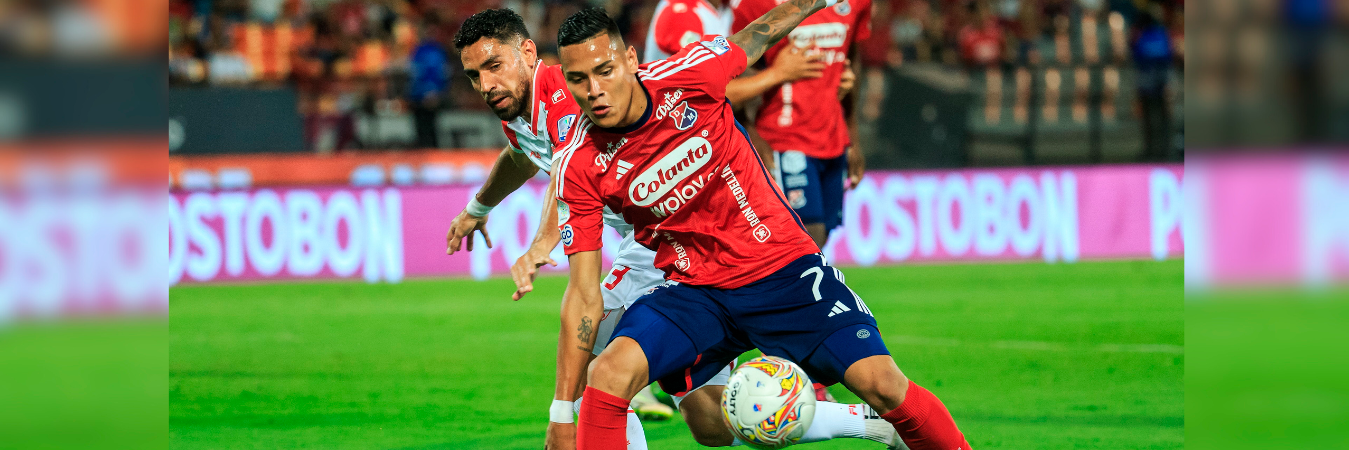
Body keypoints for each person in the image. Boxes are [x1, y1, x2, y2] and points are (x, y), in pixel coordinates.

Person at [441, 9, 905, 450]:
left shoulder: (567, 95)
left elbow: (568, 169)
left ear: (526, 52)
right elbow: (523, 154)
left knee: (593, 360)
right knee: (710, 422)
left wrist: (544, 239)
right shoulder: (518, 109)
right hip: (659, 244)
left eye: (494, 66)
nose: (486, 84)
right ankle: (869, 424)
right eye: (474, 76)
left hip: (666, 246)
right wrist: (478, 206)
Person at [551, 5, 971, 450]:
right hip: (695, 289)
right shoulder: (579, 163)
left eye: (605, 70)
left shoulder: (691, 74)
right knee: (613, 375)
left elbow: (760, 32)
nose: (595, 90)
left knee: (884, 384)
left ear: (631, 61)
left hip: (782, 269)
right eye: (579, 80)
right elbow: (582, 292)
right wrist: (561, 413)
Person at [729, 0, 870, 249]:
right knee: (806, 239)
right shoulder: (754, 4)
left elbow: (852, 60)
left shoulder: (857, 3)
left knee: (822, 237)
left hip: (833, 139)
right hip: (784, 139)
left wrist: (853, 137)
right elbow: (732, 71)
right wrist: (749, 131)